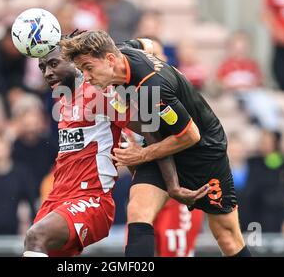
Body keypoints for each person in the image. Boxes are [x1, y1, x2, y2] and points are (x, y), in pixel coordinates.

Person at [60, 30, 250, 257]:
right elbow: (146, 43)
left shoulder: (152, 87)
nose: (87, 77)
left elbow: (190, 136)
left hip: (203, 151)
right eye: (83, 70)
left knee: (226, 236)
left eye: (88, 68)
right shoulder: (119, 51)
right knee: (138, 210)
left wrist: (141, 155)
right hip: (163, 145)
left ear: (110, 60)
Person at [23, 41, 206, 257]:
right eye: (42, 68)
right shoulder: (63, 101)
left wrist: (172, 185)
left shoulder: (101, 95)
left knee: (35, 237)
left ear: (75, 63)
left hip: (90, 199)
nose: (47, 73)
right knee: (37, 245)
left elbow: (150, 127)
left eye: (53, 64)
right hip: (58, 198)